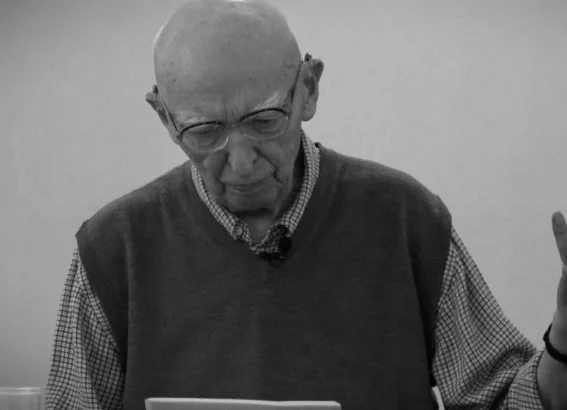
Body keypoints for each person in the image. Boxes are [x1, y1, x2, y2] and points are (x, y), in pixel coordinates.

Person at [45, 0, 567, 408]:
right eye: (204, 131)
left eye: (264, 120)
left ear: (308, 90)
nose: (242, 162)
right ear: (165, 118)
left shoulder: (406, 220)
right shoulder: (112, 249)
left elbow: (505, 400)